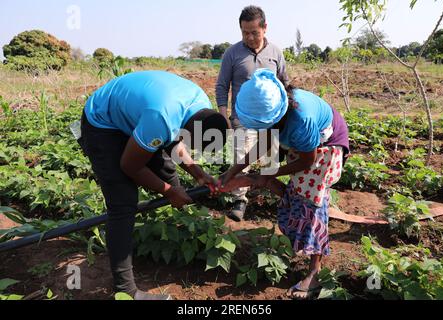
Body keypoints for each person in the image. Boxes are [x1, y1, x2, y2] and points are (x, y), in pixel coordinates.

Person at [80, 70, 228, 300]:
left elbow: (176, 144)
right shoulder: (161, 118)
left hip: (141, 114)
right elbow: (130, 166)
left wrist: (199, 174)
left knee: (166, 169)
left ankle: (182, 226)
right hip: (103, 124)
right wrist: (168, 192)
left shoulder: (201, 107)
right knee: (123, 203)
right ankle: (125, 291)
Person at [219, 69, 350, 299]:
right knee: (298, 190)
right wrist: (234, 170)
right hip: (305, 146)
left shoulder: (301, 120)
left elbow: (308, 161)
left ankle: (315, 272)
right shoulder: (275, 113)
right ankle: (293, 221)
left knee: (312, 202)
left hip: (326, 146)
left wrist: (269, 174)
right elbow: (264, 143)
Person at [215, 5, 288, 222]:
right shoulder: (232, 53)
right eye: (245, 32)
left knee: (271, 156)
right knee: (240, 157)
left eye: (254, 32)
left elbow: (284, 83)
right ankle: (240, 199)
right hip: (241, 117)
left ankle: (272, 194)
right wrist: (223, 114)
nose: (249, 37)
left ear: (265, 28)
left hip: (270, 118)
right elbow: (222, 85)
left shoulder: (275, 53)